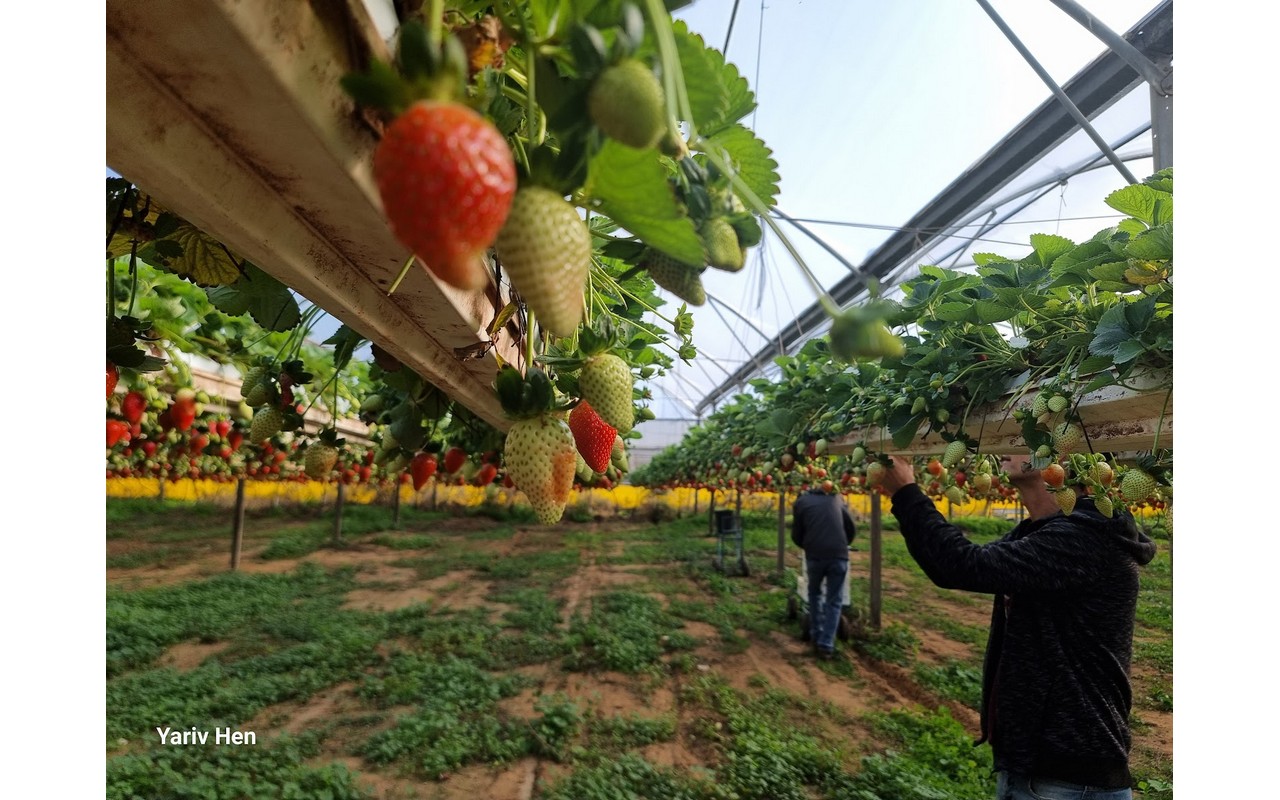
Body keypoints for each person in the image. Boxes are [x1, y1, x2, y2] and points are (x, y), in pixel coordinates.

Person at [878, 453, 1156, 800]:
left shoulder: (1084, 539)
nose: (1005, 442)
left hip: (1068, 776)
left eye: (1024, 434)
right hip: (1035, 768)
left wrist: (906, 493)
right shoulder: (1038, 532)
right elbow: (960, 560)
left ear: (1066, 456)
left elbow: (962, 566)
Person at [790, 481, 857, 659]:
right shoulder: (836, 498)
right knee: (834, 600)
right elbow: (850, 526)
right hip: (838, 554)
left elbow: (796, 534)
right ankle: (826, 645)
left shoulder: (801, 502)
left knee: (814, 593)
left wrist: (807, 545)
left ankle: (816, 634)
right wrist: (843, 544)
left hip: (815, 555)